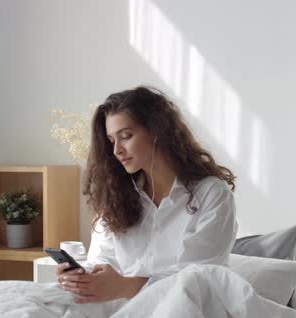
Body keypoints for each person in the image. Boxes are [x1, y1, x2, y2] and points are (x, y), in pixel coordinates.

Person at [56, 86, 237, 304]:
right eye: (112, 140)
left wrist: (126, 286)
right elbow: (102, 260)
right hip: (116, 306)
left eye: (126, 136)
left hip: (183, 310)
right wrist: (79, 277)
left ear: (157, 130)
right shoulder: (117, 195)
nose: (116, 151)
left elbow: (198, 280)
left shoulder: (212, 194)